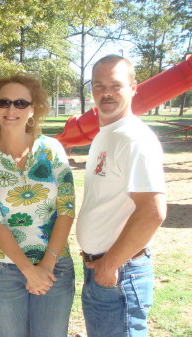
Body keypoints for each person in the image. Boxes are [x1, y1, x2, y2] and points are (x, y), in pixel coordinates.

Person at [0, 74, 75, 337]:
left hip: (54, 265)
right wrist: (28, 270)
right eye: (3, 102)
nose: (11, 109)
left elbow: (67, 208)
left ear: (32, 109)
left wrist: (46, 266)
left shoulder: (51, 150)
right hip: (3, 270)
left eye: (20, 103)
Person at [76, 55, 167, 337]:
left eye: (116, 85)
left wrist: (109, 264)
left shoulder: (134, 139)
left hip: (118, 273)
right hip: (102, 269)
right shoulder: (106, 135)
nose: (106, 93)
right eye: (99, 85)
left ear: (133, 87)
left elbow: (153, 211)